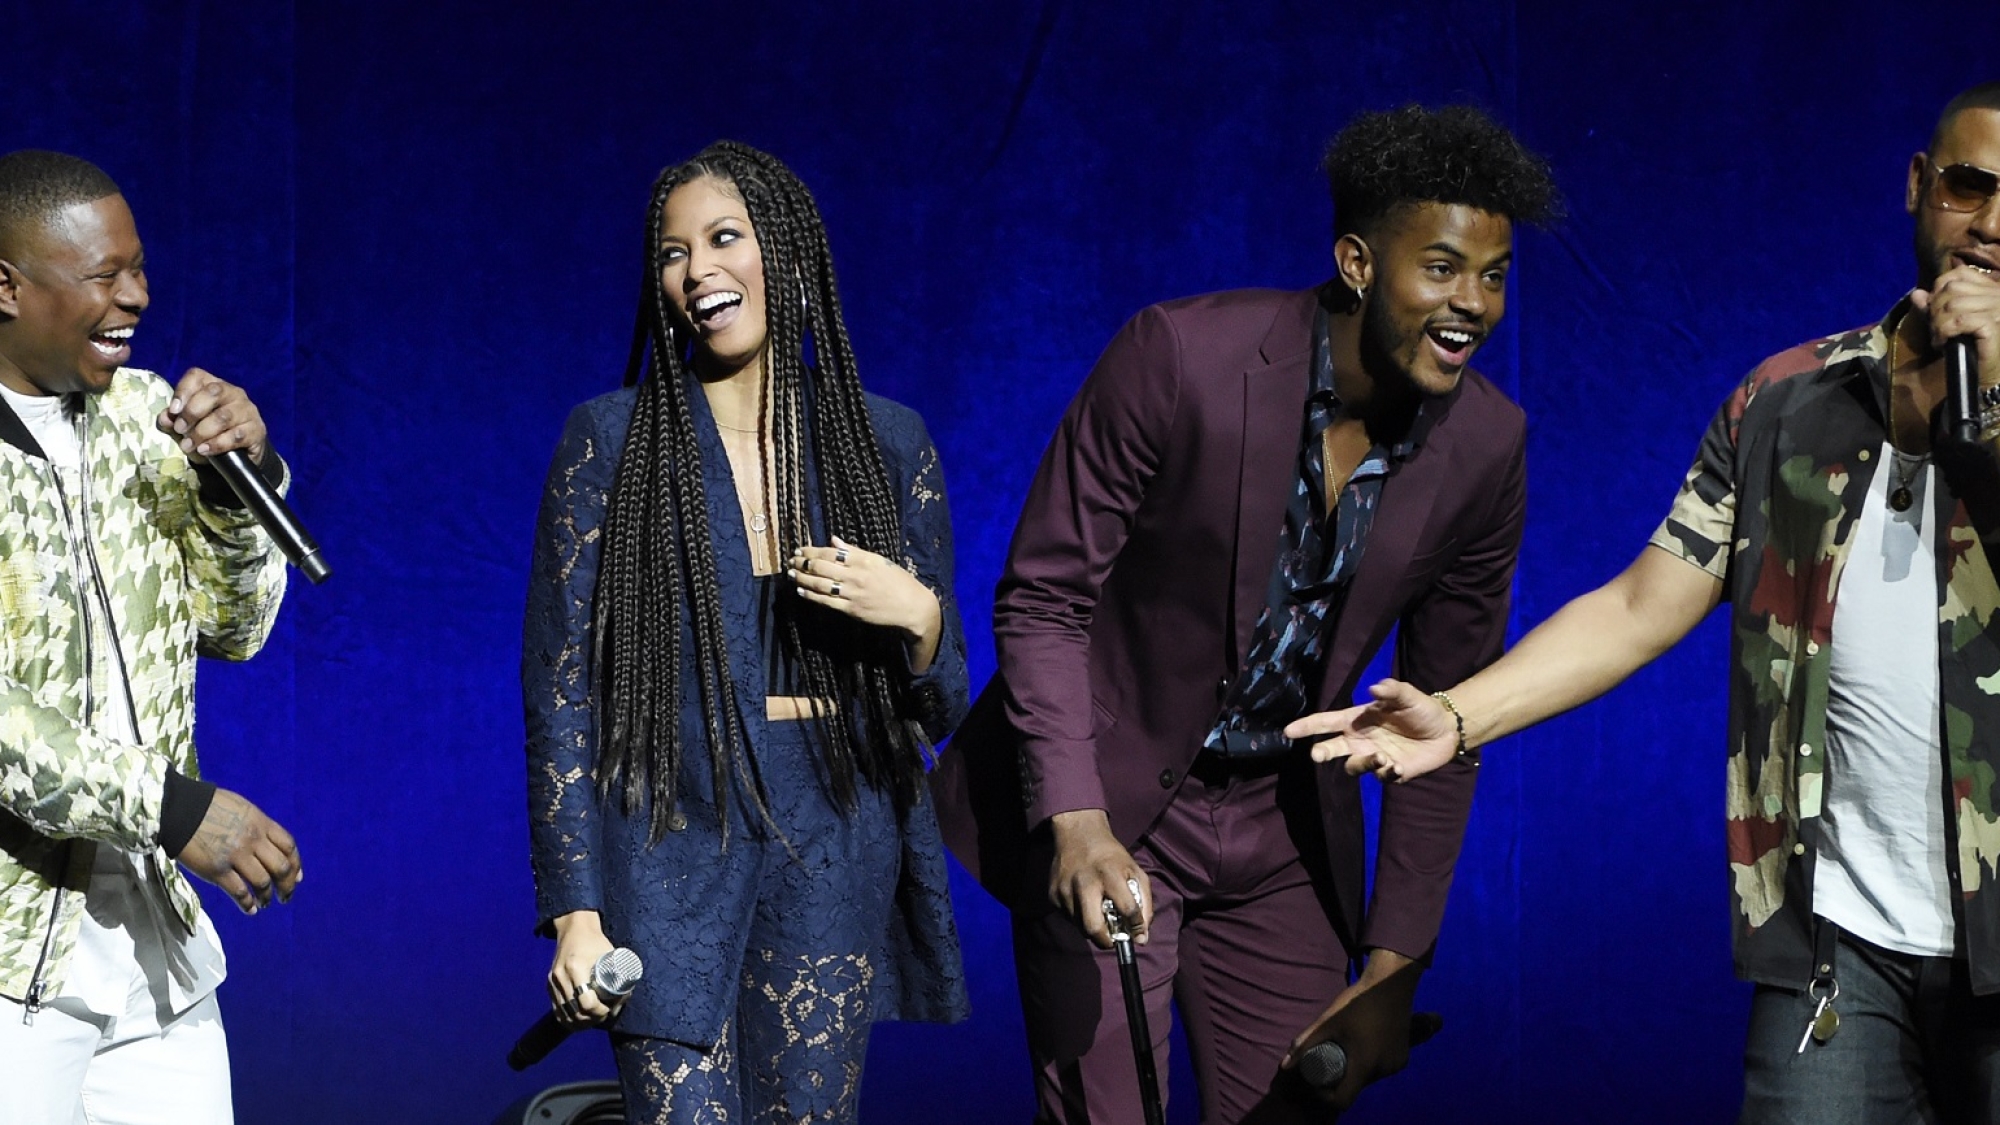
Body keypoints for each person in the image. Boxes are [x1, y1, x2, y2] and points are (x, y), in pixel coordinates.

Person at [1288, 84, 2000, 1123]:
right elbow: (1637, 604)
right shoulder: (1786, 404)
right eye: (1968, 186)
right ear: (1915, 188)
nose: (1989, 224)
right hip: (1834, 950)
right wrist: (1454, 715)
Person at [929, 105, 1562, 1122]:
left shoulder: (1485, 446)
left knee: (1291, 1106)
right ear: (1356, 261)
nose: (1472, 305)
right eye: (1440, 267)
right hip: (1109, 792)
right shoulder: (1178, 358)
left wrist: (1396, 964)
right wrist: (1077, 827)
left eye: (1492, 276)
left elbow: (1444, 715)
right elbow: (1044, 599)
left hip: (1281, 831)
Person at [522, 140, 969, 1124]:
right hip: (668, 834)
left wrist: (923, 619)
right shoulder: (610, 437)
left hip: (833, 833)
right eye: (673, 254)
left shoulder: (886, 443)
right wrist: (576, 914)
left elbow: (946, 705)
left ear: (790, 253)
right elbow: (561, 690)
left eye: (724, 238)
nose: (697, 271)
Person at [0, 150, 301, 1123]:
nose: (135, 295)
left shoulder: (145, 414)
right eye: (102, 275)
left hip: (152, 952)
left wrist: (235, 487)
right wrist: (174, 810)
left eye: (138, 268)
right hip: (12, 969)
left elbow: (239, 628)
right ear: (6, 288)